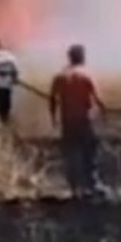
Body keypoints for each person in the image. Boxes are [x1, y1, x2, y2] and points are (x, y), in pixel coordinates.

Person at [49, 44, 108, 199]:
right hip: (84, 120)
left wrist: (53, 118)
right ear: (82, 57)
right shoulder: (86, 75)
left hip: (67, 120)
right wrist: (104, 113)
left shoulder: (60, 76)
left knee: (70, 153)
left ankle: (74, 188)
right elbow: (97, 98)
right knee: (89, 151)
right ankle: (92, 184)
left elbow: (52, 99)